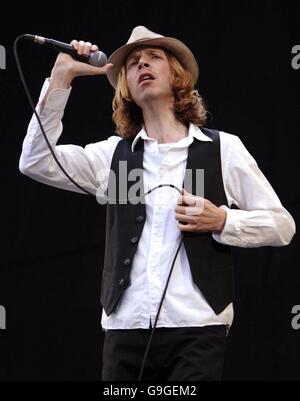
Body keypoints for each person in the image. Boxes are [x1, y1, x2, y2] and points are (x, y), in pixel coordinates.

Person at [19, 26, 296, 381]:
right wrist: (60, 80)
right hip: (125, 329)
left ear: (176, 74)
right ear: (127, 88)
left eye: (153, 58)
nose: (141, 65)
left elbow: (282, 225)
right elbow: (34, 161)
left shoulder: (223, 148)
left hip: (197, 327)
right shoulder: (112, 157)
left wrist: (223, 221)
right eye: (132, 63)